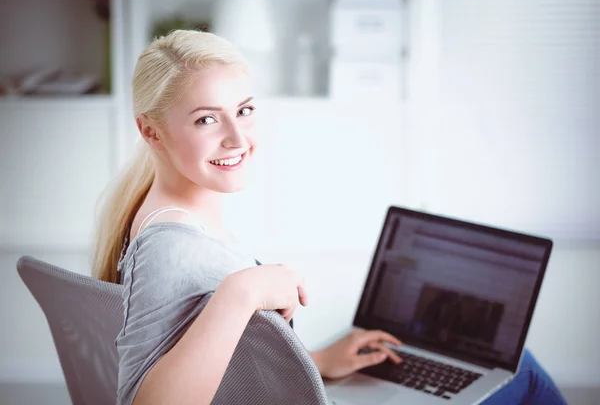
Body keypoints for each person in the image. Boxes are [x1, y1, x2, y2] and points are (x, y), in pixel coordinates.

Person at [91, 30, 567, 405]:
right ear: (151, 131)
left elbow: (222, 371)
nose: (238, 138)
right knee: (520, 369)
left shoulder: (176, 216)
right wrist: (242, 292)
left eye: (245, 110)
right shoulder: (171, 245)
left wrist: (317, 361)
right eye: (206, 119)